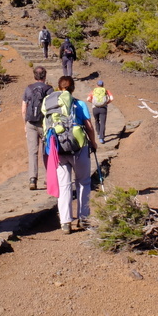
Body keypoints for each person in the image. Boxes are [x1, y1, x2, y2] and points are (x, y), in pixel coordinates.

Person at [48, 76, 97, 233]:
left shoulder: (51, 104)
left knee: (64, 185)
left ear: (58, 87)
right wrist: (93, 142)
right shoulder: (79, 104)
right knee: (83, 182)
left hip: (59, 150)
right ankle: (83, 218)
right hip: (79, 147)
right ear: (73, 88)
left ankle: (65, 222)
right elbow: (88, 126)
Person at [22, 66, 53, 190]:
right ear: (45, 76)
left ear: (34, 76)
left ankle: (32, 179)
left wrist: (25, 125)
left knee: (32, 152)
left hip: (31, 124)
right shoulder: (49, 89)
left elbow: (24, 109)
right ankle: (48, 179)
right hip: (44, 124)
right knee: (47, 151)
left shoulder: (28, 89)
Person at [86, 79, 114, 144]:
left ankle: (98, 133)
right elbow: (112, 98)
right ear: (103, 85)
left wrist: (93, 103)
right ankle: (101, 138)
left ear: (97, 85)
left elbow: (88, 99)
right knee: (103, 123)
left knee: (96, 121)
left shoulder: (93, 91)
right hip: (103, 109)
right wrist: (106, 103)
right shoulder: (106, 91)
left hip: (95, 108)